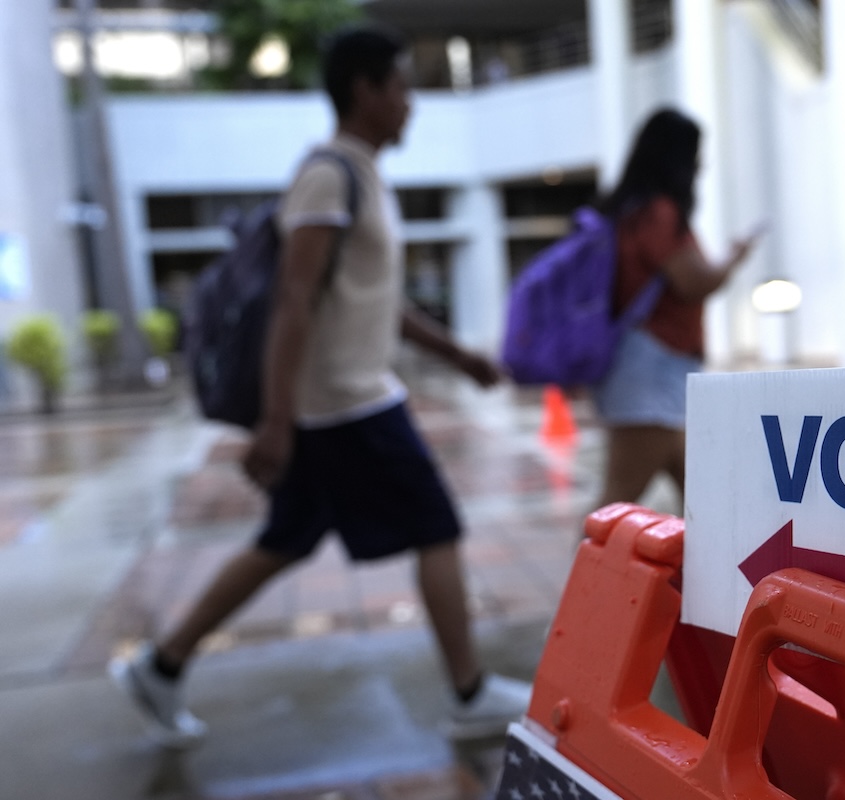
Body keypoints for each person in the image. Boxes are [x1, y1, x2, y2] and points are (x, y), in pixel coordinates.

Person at [109, 25, 530, 747]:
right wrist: (275, 420)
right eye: (400, 86)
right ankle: (467, 691)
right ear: (363, 92)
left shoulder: (363, 173)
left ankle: (162, 665)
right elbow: (293, 300)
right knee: (437, 525)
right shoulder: (328, 175)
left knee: (286, 539)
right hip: (345, 404)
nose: (411, 102)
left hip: (344, 399)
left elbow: (373, 298)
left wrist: (457, 355)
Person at [591, 108, 761, 510]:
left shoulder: (632, 210)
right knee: (617, 498)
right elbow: (693, 283)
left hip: (658, 368)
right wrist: (733, 259)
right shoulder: (657, 213)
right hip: (652, 368)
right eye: (695, 153)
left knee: (704, 494)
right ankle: (581, 573)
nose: (701, 164)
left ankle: (703, 573)